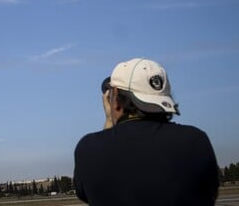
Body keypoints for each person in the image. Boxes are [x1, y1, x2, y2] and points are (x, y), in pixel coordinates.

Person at [73, 58, 219, 206]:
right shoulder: (195, 141)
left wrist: (110, 119)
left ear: (115, 98)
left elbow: (90, 191)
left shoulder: (89, 149)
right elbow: (210, 193)